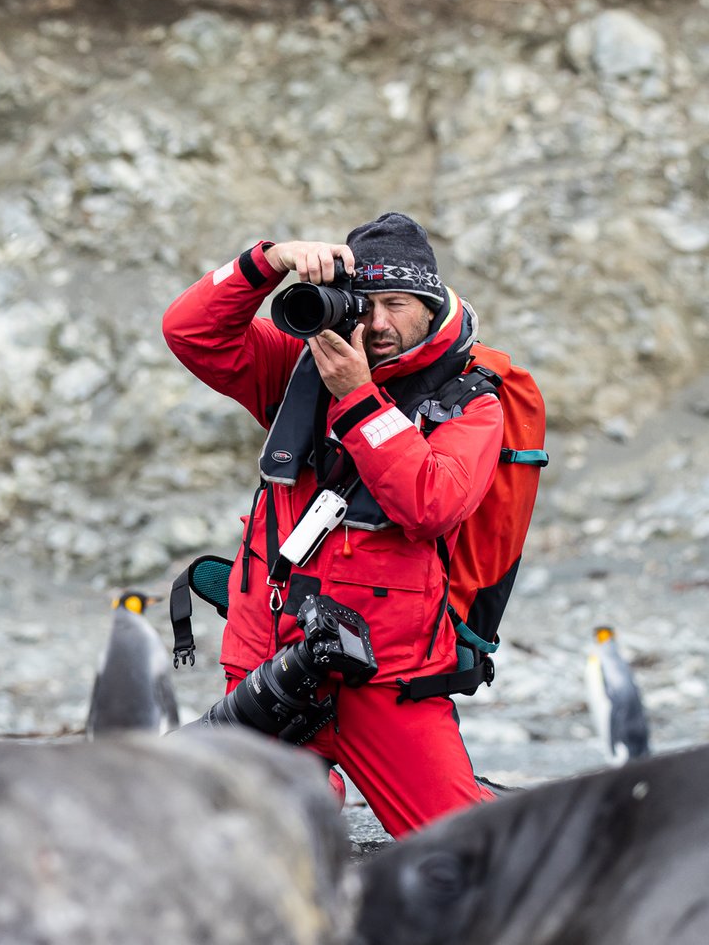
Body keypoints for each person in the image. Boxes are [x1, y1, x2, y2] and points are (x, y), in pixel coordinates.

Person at [162, 212, 502, 837]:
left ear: (429, 304)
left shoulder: (471, 401)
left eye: (397, 304)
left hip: (385, 678)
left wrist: (357, 396)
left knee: (467, 855)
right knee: (234, 854)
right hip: (272, 665)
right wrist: (269, 260)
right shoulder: (299, 367)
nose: (376, 325)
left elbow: (431, 504)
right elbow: (190, 331)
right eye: (363, 304)